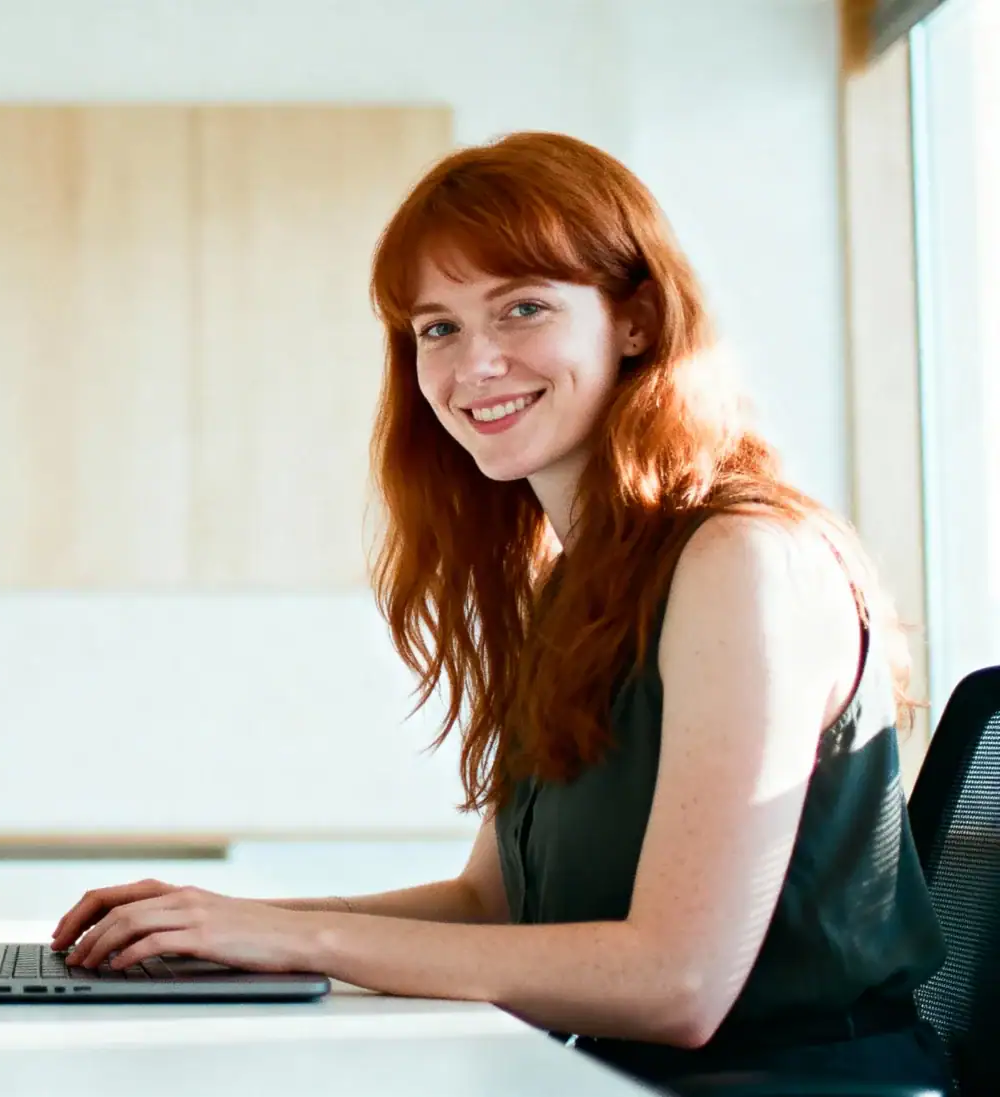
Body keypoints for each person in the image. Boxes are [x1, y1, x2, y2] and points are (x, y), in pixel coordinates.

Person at [50, 132, 951, 1091]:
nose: (474, 364)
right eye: (437, 327)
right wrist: (222, 927)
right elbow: (493, 903)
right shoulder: (579, 581)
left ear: (636, 318)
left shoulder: (742, 559)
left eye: (522, 308)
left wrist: (294, 936)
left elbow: (677, 983)